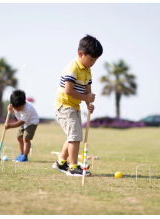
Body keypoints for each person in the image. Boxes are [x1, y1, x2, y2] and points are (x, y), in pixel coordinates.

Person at [52, 34, 103, 176]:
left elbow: (87, 91)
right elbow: (68, 91)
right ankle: (73, 167)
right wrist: (85, 97)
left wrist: (88, 103)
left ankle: (61, 162)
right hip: (64, 105)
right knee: (75, 136)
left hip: (74, 106)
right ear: (81, 54)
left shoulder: (87, 71)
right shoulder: (73, 68)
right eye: (91, 59)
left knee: (74, 135)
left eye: (95, 60)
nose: (93, 62)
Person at [4, 90, 39, 162]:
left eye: (19, 108)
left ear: (24, 103)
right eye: (15, 107)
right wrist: (9, 110)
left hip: (31, 122)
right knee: (19, 137)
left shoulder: (28, 109)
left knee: (26, 139)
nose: (16, 109)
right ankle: (21, 154)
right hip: (21, 120)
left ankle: (25, 157)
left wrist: (10, 126)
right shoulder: (14, 104)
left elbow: (21, 122)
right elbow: (11, 112)